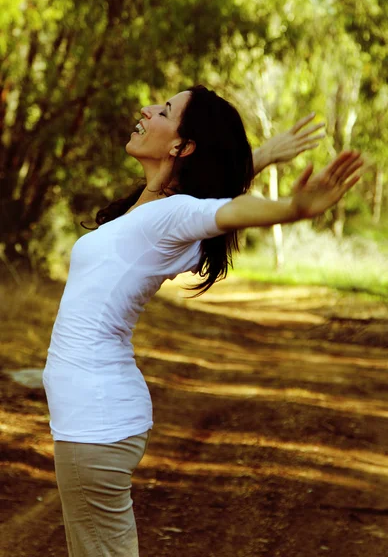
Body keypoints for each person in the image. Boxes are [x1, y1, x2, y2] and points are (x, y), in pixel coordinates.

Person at [43, 85, 362, 557]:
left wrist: (292, 210)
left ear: (181, 145)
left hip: (95, 423)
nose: (147, 110)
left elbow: (223, 209)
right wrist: (262, 156)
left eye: (165, 110)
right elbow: (206, 191)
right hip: (95, 418)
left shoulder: (171, 215)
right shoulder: (153, 208)